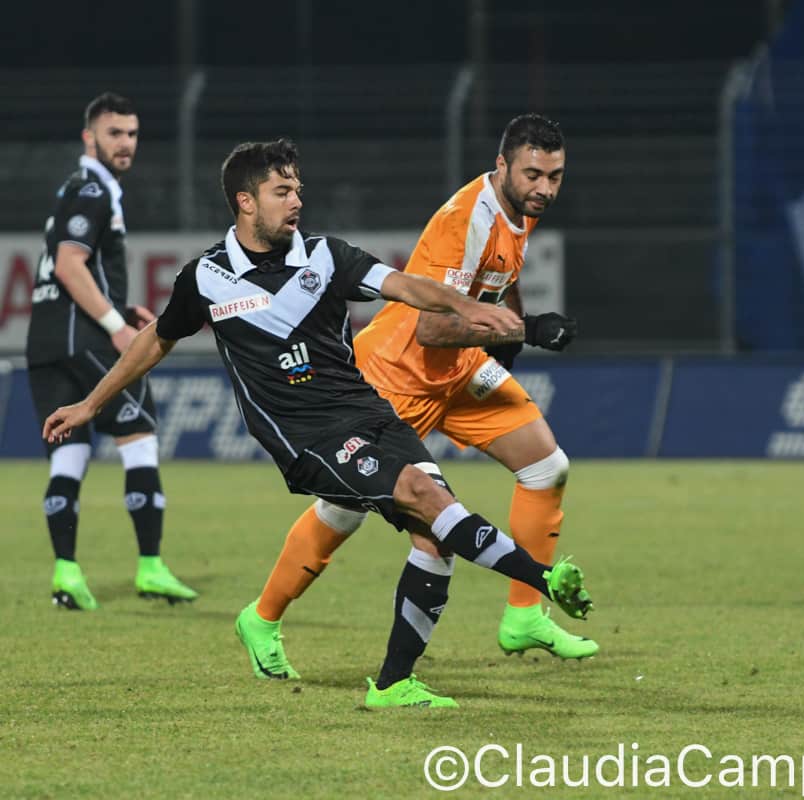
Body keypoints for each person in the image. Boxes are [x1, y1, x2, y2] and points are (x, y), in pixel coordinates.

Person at [42, 138, 593, 708]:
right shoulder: (205, 278)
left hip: (371, 413)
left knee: (434, 536)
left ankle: (394, 683)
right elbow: (155, 340)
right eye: (282, 191)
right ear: (246, 202)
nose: (296, 201)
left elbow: (405, 284)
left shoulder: (326, 256)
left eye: (298, 189)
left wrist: (467, 307)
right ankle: (542, 580)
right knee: (425, 498)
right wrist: (90, 405)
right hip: (307, 439)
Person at [252, 113, 595, 662]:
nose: (544, 188)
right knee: (343, 512)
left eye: (554, 177)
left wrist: (508, 337)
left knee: (546, 467)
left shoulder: (521, 209)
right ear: (502, 165)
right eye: (533, 175)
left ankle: (525, 616)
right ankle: (262, 618)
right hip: (395, 377)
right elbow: (432, 328)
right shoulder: (466, 220)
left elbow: (501, 280)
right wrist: (526, 330)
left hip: (459, 369)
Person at [26, 92, 197, 610]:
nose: (125, 143)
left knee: (69, 453)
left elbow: (68, 269)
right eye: (114, 133)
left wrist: (120, 309)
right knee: (139, 434)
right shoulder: (92, 189)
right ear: (90, 138)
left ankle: (67, 575)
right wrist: (115, 327)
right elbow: (69, 265)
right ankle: (151, 567)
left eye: (132, 134)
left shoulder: (74, 189)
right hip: (85, 341)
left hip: (46, 342)